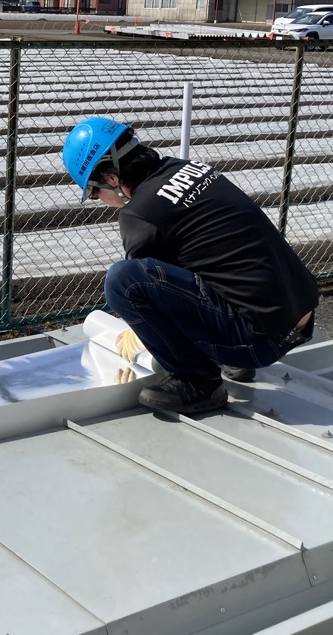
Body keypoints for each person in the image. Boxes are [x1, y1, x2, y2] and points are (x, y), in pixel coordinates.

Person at [62, 115, 319, 414]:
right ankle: (232, 359)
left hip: (260, 340)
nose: (98, 199)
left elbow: (149, 293)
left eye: (94, 192)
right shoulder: (189, 168)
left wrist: (138, 330)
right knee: (200, 262)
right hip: (300, 315)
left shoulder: (139, 215)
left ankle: (196, 381)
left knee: (124, 280)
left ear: (111, 178)